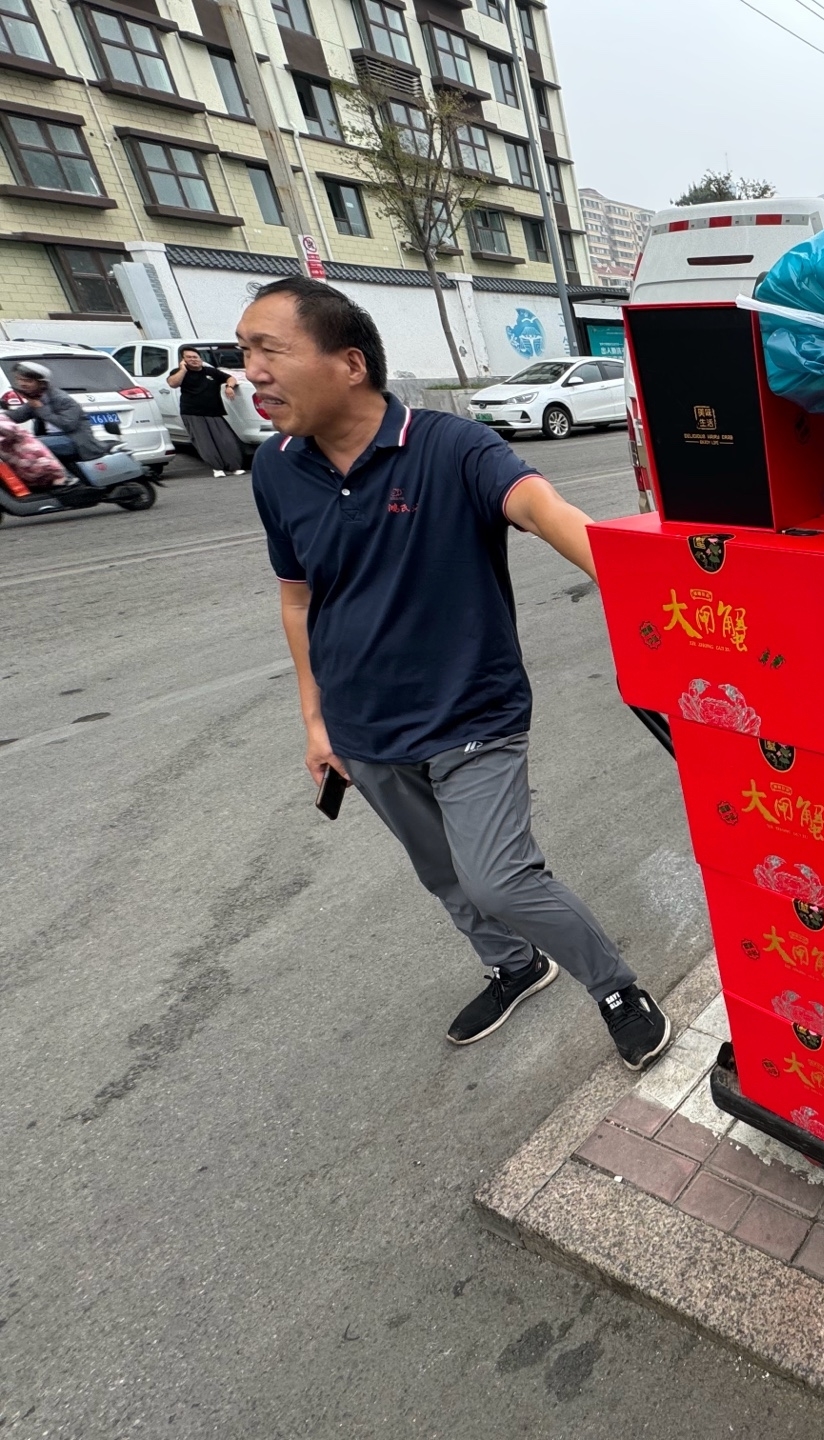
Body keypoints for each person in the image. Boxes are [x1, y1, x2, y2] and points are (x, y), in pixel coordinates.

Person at [239, 276, 672, 1069]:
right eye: (245, 353)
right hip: (364, 727)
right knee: (443, 875)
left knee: (500, 879)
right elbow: (297, 598)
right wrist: (315, 719)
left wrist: (651, 598)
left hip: (472, 714)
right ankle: (514, 965)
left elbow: (546, 511)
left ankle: (613, 984)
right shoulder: (276, 468)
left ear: (349, 363)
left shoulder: (451, 446)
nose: (252, 372)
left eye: (269, 349)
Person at [5, 360, 104, 483]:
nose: (22, 384)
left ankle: (67, 479)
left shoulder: (61, 399)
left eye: (28, 381)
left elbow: (68, 425)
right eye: (19, 380)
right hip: (55, 439)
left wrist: (40, 407)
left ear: (41, 383)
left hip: (75, 441)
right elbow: (17, 416)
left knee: (32, 446)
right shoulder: (36, 398)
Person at [166, 346, 247, 476]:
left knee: (226, 441)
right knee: (205, 443)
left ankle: (234, 466)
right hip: (192, 412)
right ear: (183, 360)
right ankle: (217, 468)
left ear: (201, 359)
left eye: (195, 357)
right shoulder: (179, 372)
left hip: (214, 412)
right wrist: (182, 369)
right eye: (189, 357)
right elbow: (173, 383)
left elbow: (230, 378)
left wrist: (229, 387)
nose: (193, 360)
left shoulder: (210, 371)